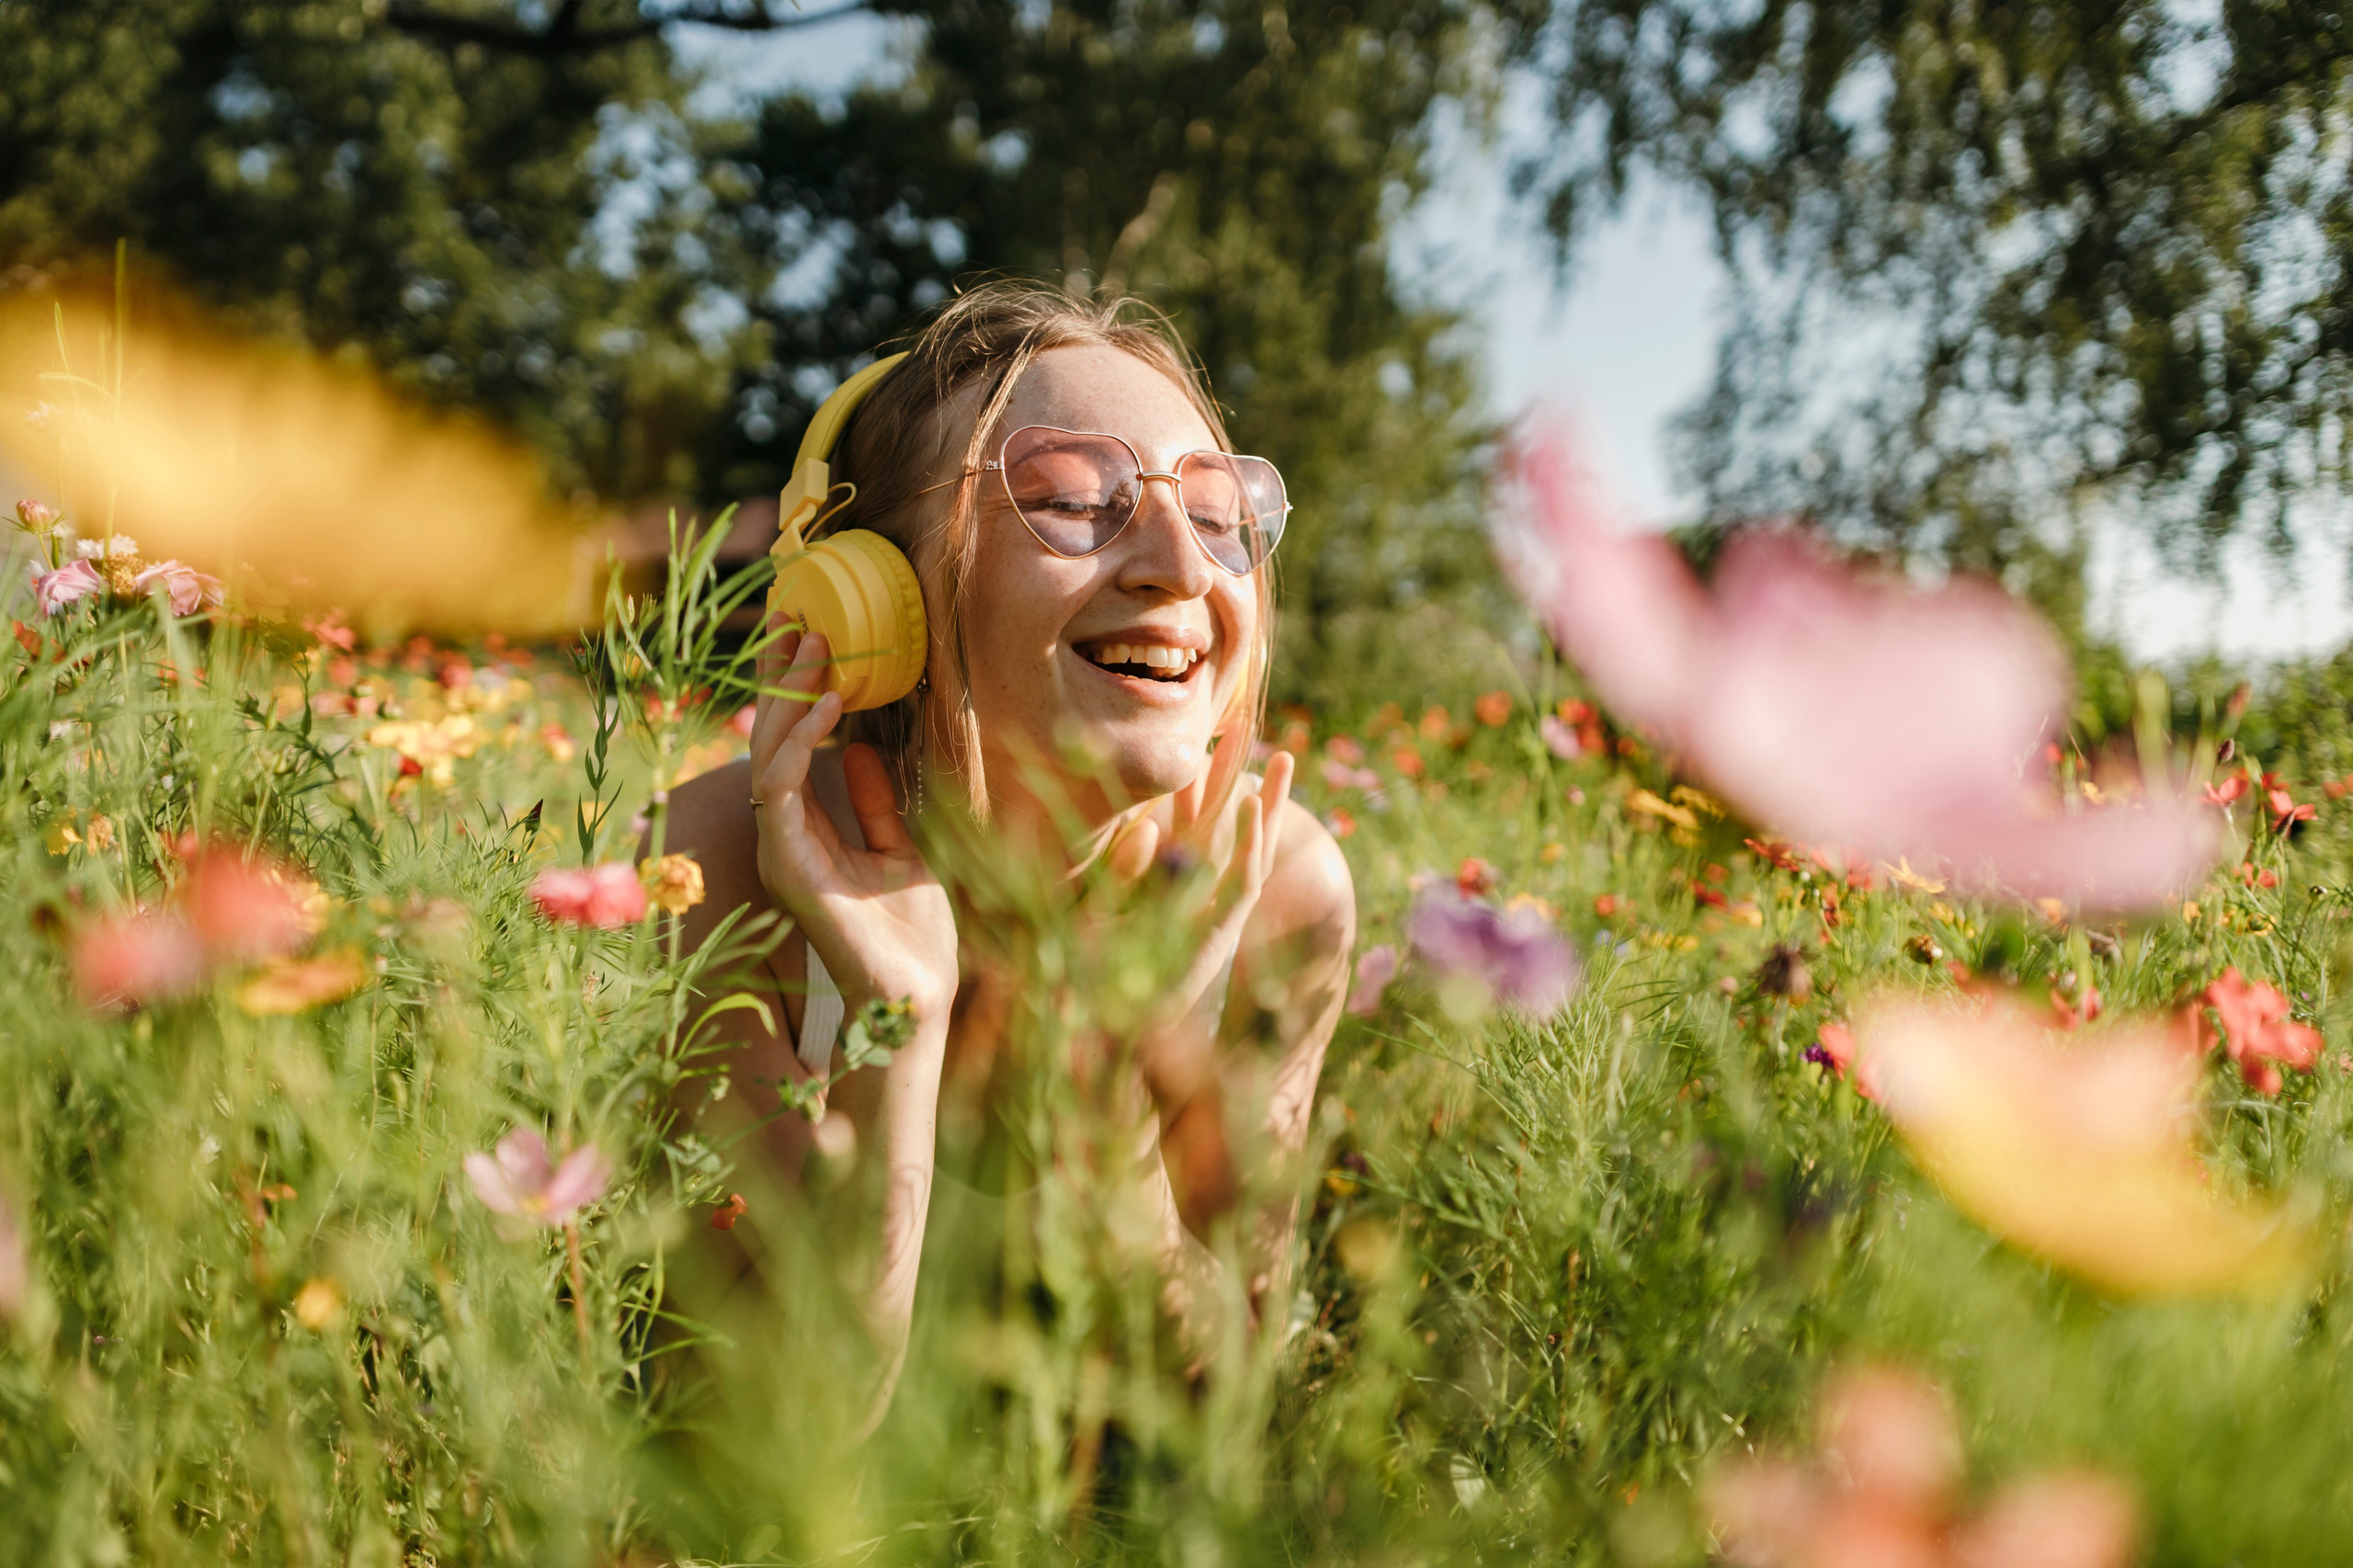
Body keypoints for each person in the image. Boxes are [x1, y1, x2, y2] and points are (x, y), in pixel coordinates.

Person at [664, 281, 1356, 1406]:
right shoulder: (717, 874)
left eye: (1221, 509)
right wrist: (896, 1032)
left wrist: (1114, 1118)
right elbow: (755, 1449)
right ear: (875, 599)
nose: (1180, 565)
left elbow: (1222, 1397)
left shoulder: (1281, 893)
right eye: (1074, 498)